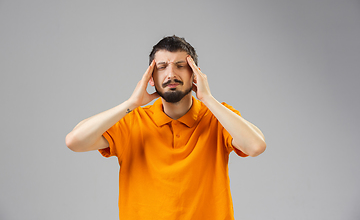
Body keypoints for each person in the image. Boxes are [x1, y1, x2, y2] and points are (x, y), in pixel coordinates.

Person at [66, 35, 266, 220]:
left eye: (181, 66)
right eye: (162, 67)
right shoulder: (132, 121)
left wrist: (208, 99)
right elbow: (75, 141)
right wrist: (131, 103)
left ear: (195, 75)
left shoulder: (217, 118)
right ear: (151, 78)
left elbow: (256, 146)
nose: (171, 74)